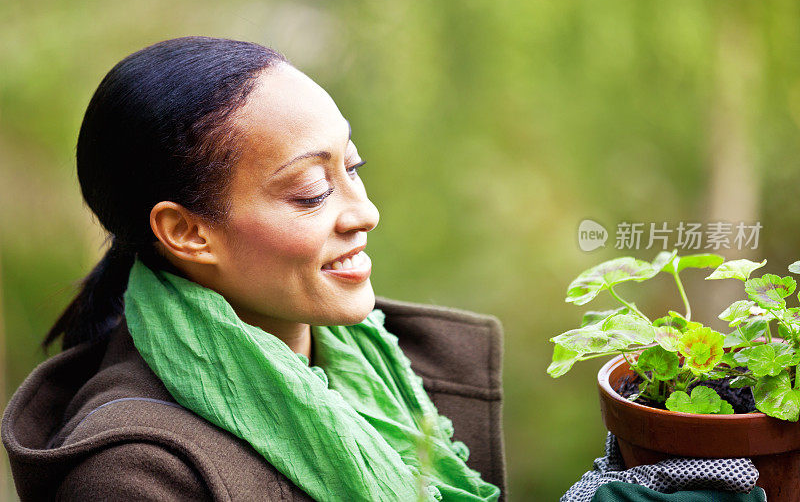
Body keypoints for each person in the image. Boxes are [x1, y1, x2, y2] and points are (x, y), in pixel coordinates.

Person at [0, 37, 506, 501]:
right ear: (187, 233)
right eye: (312, 192)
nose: (365, 213)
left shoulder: (404, 371)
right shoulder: (131, 478)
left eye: (352, 167)